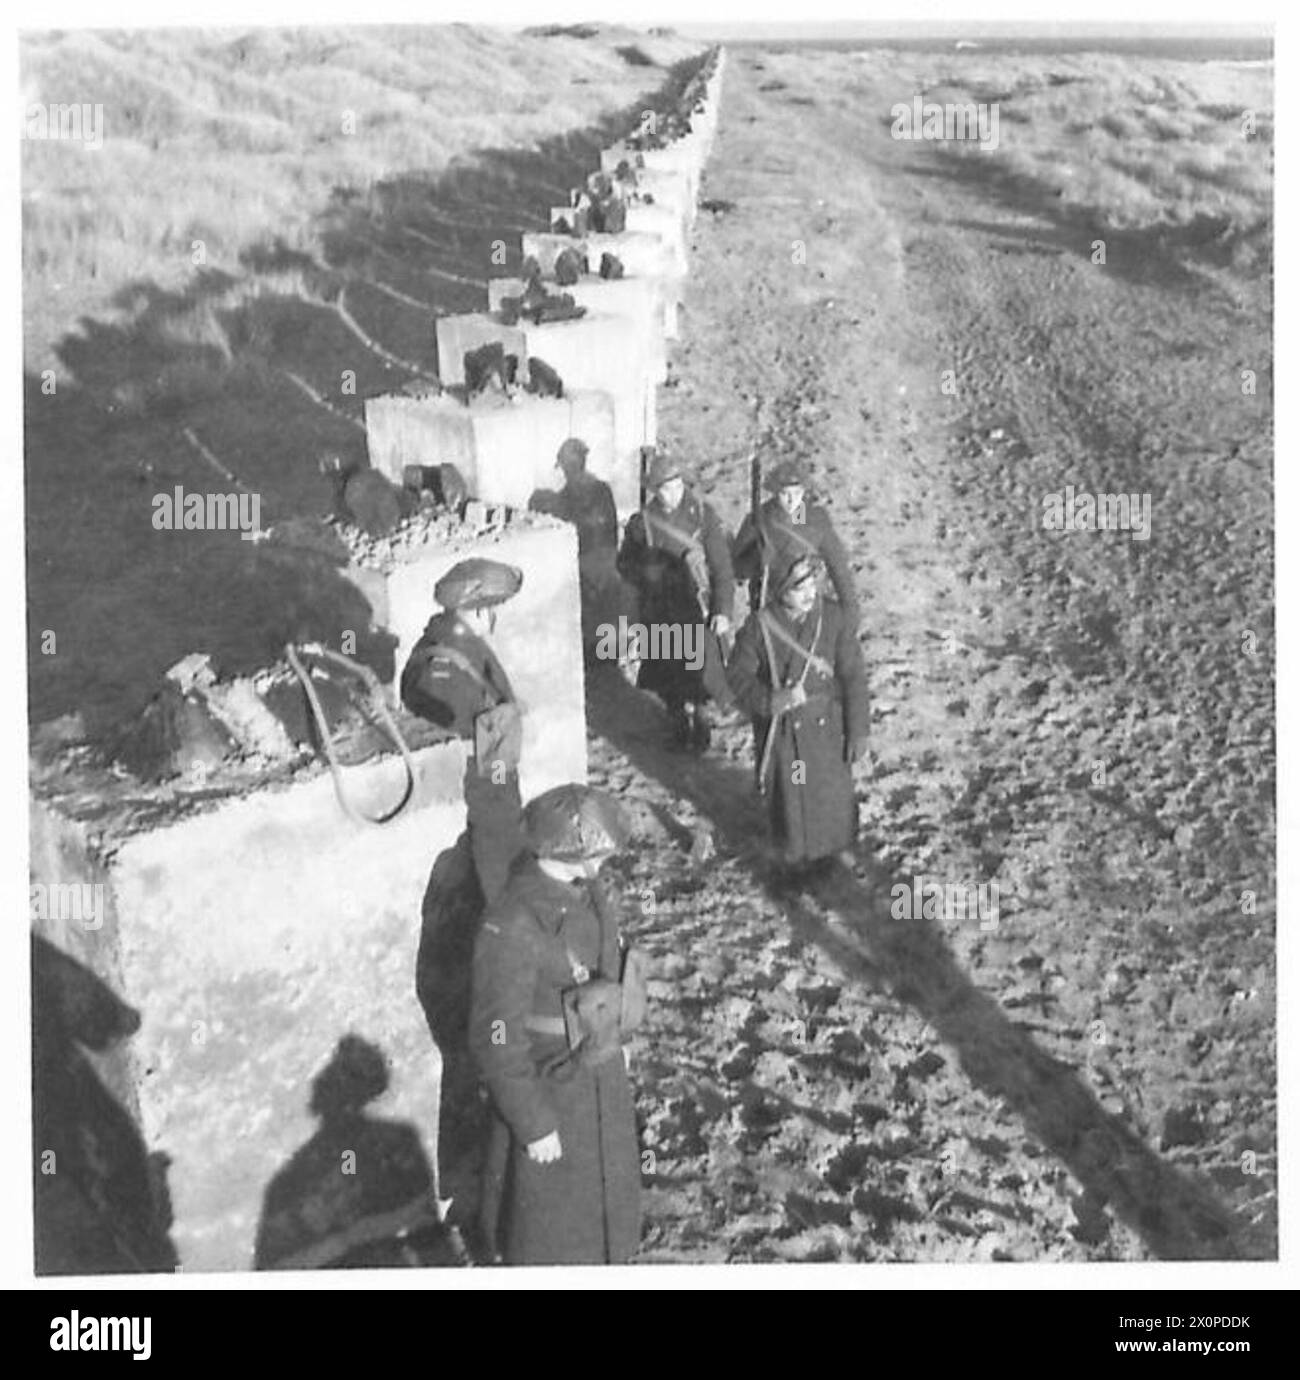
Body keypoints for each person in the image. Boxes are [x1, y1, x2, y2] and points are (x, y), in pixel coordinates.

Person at [469, 784, 644, 1265]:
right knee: (552, 1234)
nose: (606, 862)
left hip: (598, 1072)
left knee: (604, 1217)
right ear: (575, 853)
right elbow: (494, 1038)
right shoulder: (513, 922)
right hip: (552, 1090)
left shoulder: (585, 891)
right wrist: (533, 1122)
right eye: (600, 853)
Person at [727, 554, 869, 886]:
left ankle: (828, 857)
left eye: (812, 581)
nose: (809, 592)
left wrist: (859, 730)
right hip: (786, 739)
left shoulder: (832, 619)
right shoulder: (759, 627)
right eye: (797, 586)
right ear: (777, 589)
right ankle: (793, 866)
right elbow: (737, 677)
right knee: (792, 802)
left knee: (829, 797)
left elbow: (854, 677)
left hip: (829, 731)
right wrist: (771, 700)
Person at [401, 557, 526, 902]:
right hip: (485, 775)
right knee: (500, 844)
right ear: (475, 611)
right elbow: (463, 725)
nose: (496, 614)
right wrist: (502, 780)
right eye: (492, 607)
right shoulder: (445, 664)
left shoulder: (451, 640)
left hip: (490, 763)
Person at [617, 450, 736, 751]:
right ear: (655, 491)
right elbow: (624, 565)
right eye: (667, 488)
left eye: (678, 486)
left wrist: (722, 610)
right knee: (666, 672)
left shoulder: (702, 516)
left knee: (700, 672)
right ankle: (677, 721)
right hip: (658, 609)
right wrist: (646, 569)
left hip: (696, 608)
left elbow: (722, 568)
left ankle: (702, 721)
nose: (674, 493)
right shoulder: (641, 523)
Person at [529, 438, 628, 661]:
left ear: (564, 467)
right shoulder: (603, 489)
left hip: (584, 562)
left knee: (589, 612)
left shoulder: (564, 499)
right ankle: (611, 654)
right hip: (607, 558)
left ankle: (596, 656)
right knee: (608, 609)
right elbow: (612, 530)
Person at [733, 457, 860, 627]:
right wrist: (757, 556)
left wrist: (850, 614)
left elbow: (839, 569)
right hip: (768, 606)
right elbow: (737, 570)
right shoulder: (758, 520)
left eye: (797, 494)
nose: (792, 501)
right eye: (785, 494)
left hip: (807, 605)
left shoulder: (815, 520)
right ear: (775, 492)